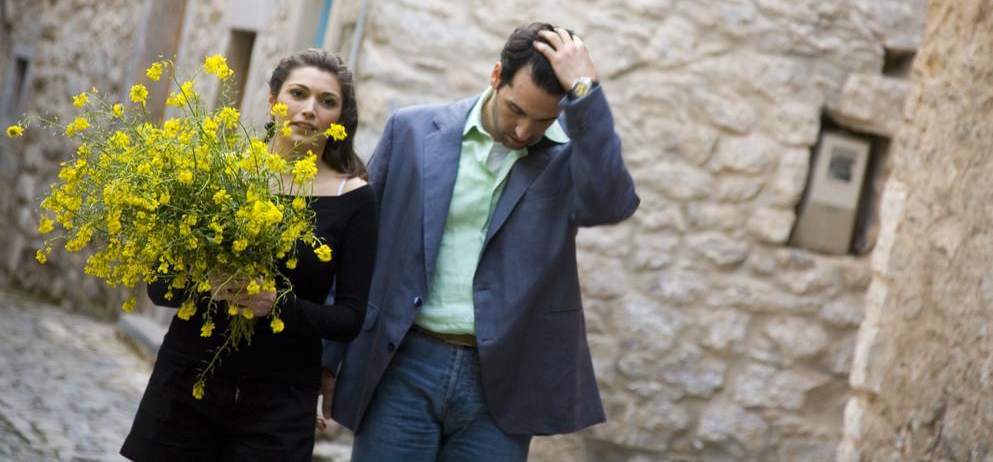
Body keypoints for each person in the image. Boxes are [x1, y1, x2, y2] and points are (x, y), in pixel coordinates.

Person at [321, 23, 639, 461]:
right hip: (401, 363)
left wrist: (587, 91)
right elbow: (358, 252)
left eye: (543, 119)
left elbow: (613, 204)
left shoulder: (568, 159)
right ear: (495, 76)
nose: (525, 131)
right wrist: (327, 357)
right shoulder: (411, 131)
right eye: (515, 110)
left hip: (504, 381)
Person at [121, 48, 377, 462]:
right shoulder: (218, 175)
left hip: (280, 402)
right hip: (188, 383)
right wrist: (211, 284)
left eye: (327, 102)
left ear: (339, 119)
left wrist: (276, 305)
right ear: (273, 99)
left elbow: (350, 317)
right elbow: (159, 286)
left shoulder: (355, 198)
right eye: (298, 93)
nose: (309, 110)